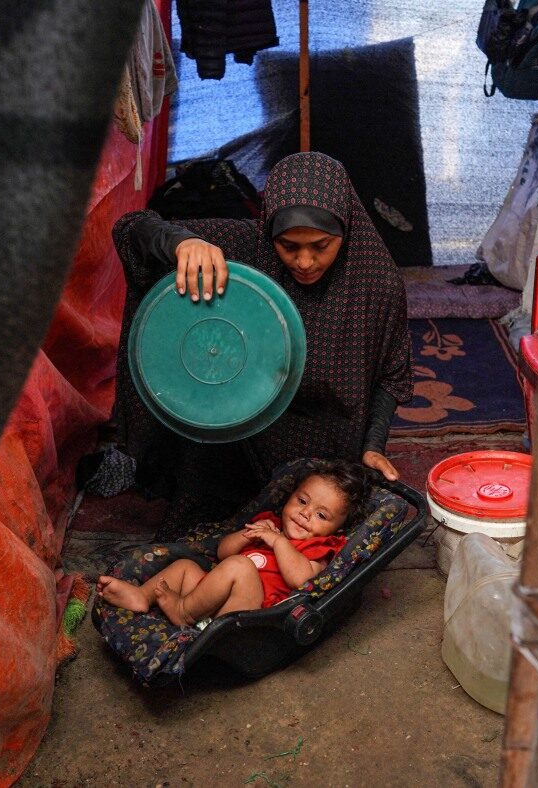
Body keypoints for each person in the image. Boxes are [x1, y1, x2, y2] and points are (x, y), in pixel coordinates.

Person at [113, 152, 411, 539]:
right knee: (203, 544)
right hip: (238, 433)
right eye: (288, 246)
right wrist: (180, 243)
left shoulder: (376, 283)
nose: (304, 261)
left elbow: (392, 374)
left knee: (314, 545)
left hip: (323, 446)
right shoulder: (248, 248)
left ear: (347, 228)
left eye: (321, 246)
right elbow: (130, 228)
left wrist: (373, 445)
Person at [96, 460, 369, 625]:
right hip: (212, 595)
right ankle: (141, 596)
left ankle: (183, 613)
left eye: (321, 515)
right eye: (302, 501)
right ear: (290, 497)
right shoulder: (268, 523)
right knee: (185, 567)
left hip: (251, 612)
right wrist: (247, 535)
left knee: (241, 567)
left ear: (336, 528)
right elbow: (223, 553)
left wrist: (278, 543)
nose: (305, 514)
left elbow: (302, 580)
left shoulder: (319, 548)